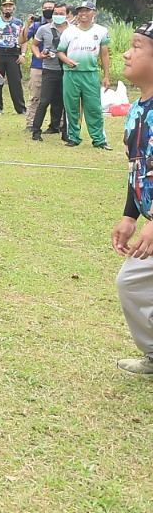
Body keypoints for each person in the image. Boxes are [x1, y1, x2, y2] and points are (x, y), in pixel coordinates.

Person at [111, 22, 153, 374]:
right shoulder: (139, 109)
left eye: (137, 46)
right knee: (131, 281)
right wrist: (130, 215)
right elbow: (137, 166)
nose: (127, 52)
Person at [57, 0, 111, 149]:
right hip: (71, 74)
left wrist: (106, 76)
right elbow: (60, 51)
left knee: (94, 107)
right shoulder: (69, 31)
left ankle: (99, 139)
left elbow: (105, 55)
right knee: (72, 107)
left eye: (87, 10)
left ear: (94, 13)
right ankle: (73, 137)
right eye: (81, 11)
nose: (83, 14)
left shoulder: (101, 31)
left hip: (90, 74)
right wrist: (67, 61)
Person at [30, 4, 67, 141]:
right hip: (49, 69)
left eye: (61, 13)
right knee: (44, 101)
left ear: (66, 14)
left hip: (67, 70)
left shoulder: (73, 30)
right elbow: (34, 44)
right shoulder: (43, 29)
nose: (58, 15)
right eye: (56, 13)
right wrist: (39, 55)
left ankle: (64, 132)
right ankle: (36, 131)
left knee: (64, 102)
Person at [21, 0, 56, 131]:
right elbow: (22, 40)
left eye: (50, 8)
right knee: (35, 96)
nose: (48, 10)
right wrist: (28, 25)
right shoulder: (36, 26)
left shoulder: (62, 26)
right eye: (45, 8)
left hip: (57, 66)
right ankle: (31, 123)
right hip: (38, 65)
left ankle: (57, 124)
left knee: (57, 97)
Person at [0, 0, 25, 116]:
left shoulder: (18, 23)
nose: (8, 8)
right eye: (5, 6)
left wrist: (22, 54)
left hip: (13, 54)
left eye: (10, 6)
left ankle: (20, 108)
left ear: (13, 8)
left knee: (15, 82)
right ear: (2, 8)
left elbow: (24, 39)